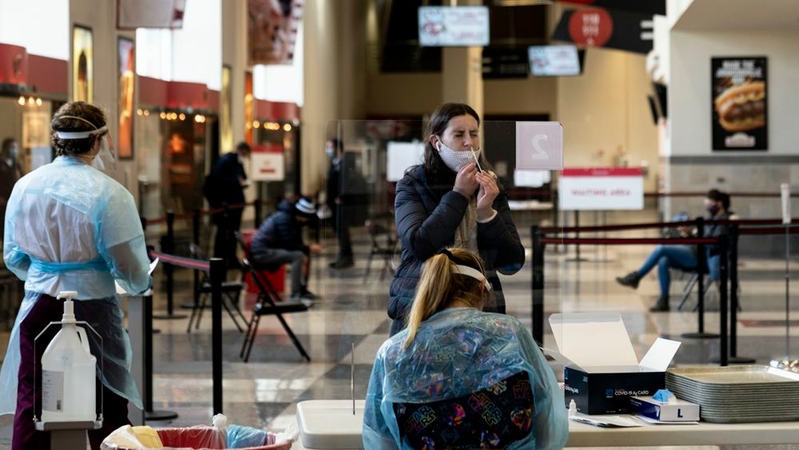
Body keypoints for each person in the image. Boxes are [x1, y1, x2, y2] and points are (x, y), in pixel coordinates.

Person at [0, 102, 153, 450]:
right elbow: (128, 261)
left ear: (57, 138)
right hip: (94, 305)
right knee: (108, 395)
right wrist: (138, 283)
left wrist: (45, 273)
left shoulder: (26, 186)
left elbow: (14, 255)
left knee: (34, 394)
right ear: (98, 141)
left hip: (39, 302)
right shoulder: (110, 193)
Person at [363, 248, 569, 449]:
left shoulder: (393, 351)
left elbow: (380, 438)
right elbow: (547, 417)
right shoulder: (510, 333)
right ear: (481, 288)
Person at [388, 102, 525, 336]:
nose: (469, 143)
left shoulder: (490, 185)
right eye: (459, 134)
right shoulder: (412, 183)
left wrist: (486, 215)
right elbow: (420, 244)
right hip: (425, 303)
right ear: (437, 142)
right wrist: (458, 195)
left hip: (480, 305)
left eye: (473, 134)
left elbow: (512, 262)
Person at [616, 189, 732, 312]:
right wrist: (690, 233)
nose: (707, 205)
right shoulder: (711, 219)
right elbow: (703, 236)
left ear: (719, 204)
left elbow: (715, 242)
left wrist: (696, 234)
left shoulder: (725, 220)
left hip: (703, 257)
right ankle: (664, 300)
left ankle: (636, 277)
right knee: (663, 260)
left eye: (709, 203)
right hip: (694, 251)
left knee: (662, 248)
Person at [249, 196, 323, 303]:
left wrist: (307, 249)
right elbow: (289, 244)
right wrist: (309, 248)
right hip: (262, 252)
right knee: (298, 256)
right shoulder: (284, 218)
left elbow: (296, 243)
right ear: (301, 215)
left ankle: (302, 290)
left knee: (303, 253)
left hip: (269, 249)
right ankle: (295, 294)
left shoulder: (291, 219)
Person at [204, 142, 251, 268]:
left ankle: (231, 258)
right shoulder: (225, 161)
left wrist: (242, 182)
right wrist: (236, 181)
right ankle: (219, 258)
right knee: (222, 232)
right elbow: (216, 179)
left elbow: (243, 178)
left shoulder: (237, 163)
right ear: (241, 150)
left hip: (236, 203)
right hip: (225, 204)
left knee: (233, 233)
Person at [325, 138, 368, 269]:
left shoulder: (346, 164)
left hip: (342, 204)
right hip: (334, 203)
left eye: (329, 147)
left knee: (342, 230)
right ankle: (343, 255)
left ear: (337, 148)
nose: (327, 150)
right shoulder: (334, 163)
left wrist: (342, 197)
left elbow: (349, 182)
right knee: (338, 230)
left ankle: (346, 257)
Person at [0, 138, 23, 235]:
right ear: (5, 148)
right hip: (2, 200)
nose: (15, 150)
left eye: (16, 148)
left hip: (13, 199)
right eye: (12, 147)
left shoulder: (16, 164)